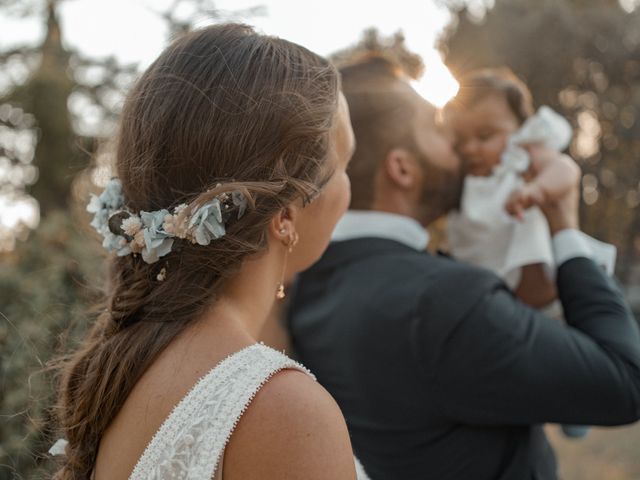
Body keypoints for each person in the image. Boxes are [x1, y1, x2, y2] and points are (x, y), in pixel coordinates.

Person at [287, 55, 640, 480]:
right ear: (403, 168)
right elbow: (625, 381)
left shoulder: (310, 288)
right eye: (438, 130)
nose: (458, 148)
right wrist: (565, 223)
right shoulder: (446, 299)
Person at [52, 24, 369, 480]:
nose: (349, 186)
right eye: (345, 164)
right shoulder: (282, 411)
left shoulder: (124, 372)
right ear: (285, 214)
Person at [445, 68, 614, 439]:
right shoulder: (462, 180)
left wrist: (537, 190)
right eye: (460, 140)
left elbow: (565, 170)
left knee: (571, 352)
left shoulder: (526, 154)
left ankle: (576, 408)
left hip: (552, 295)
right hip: (497, 293)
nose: (471, 148)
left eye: (485, 136)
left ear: (521, 127)